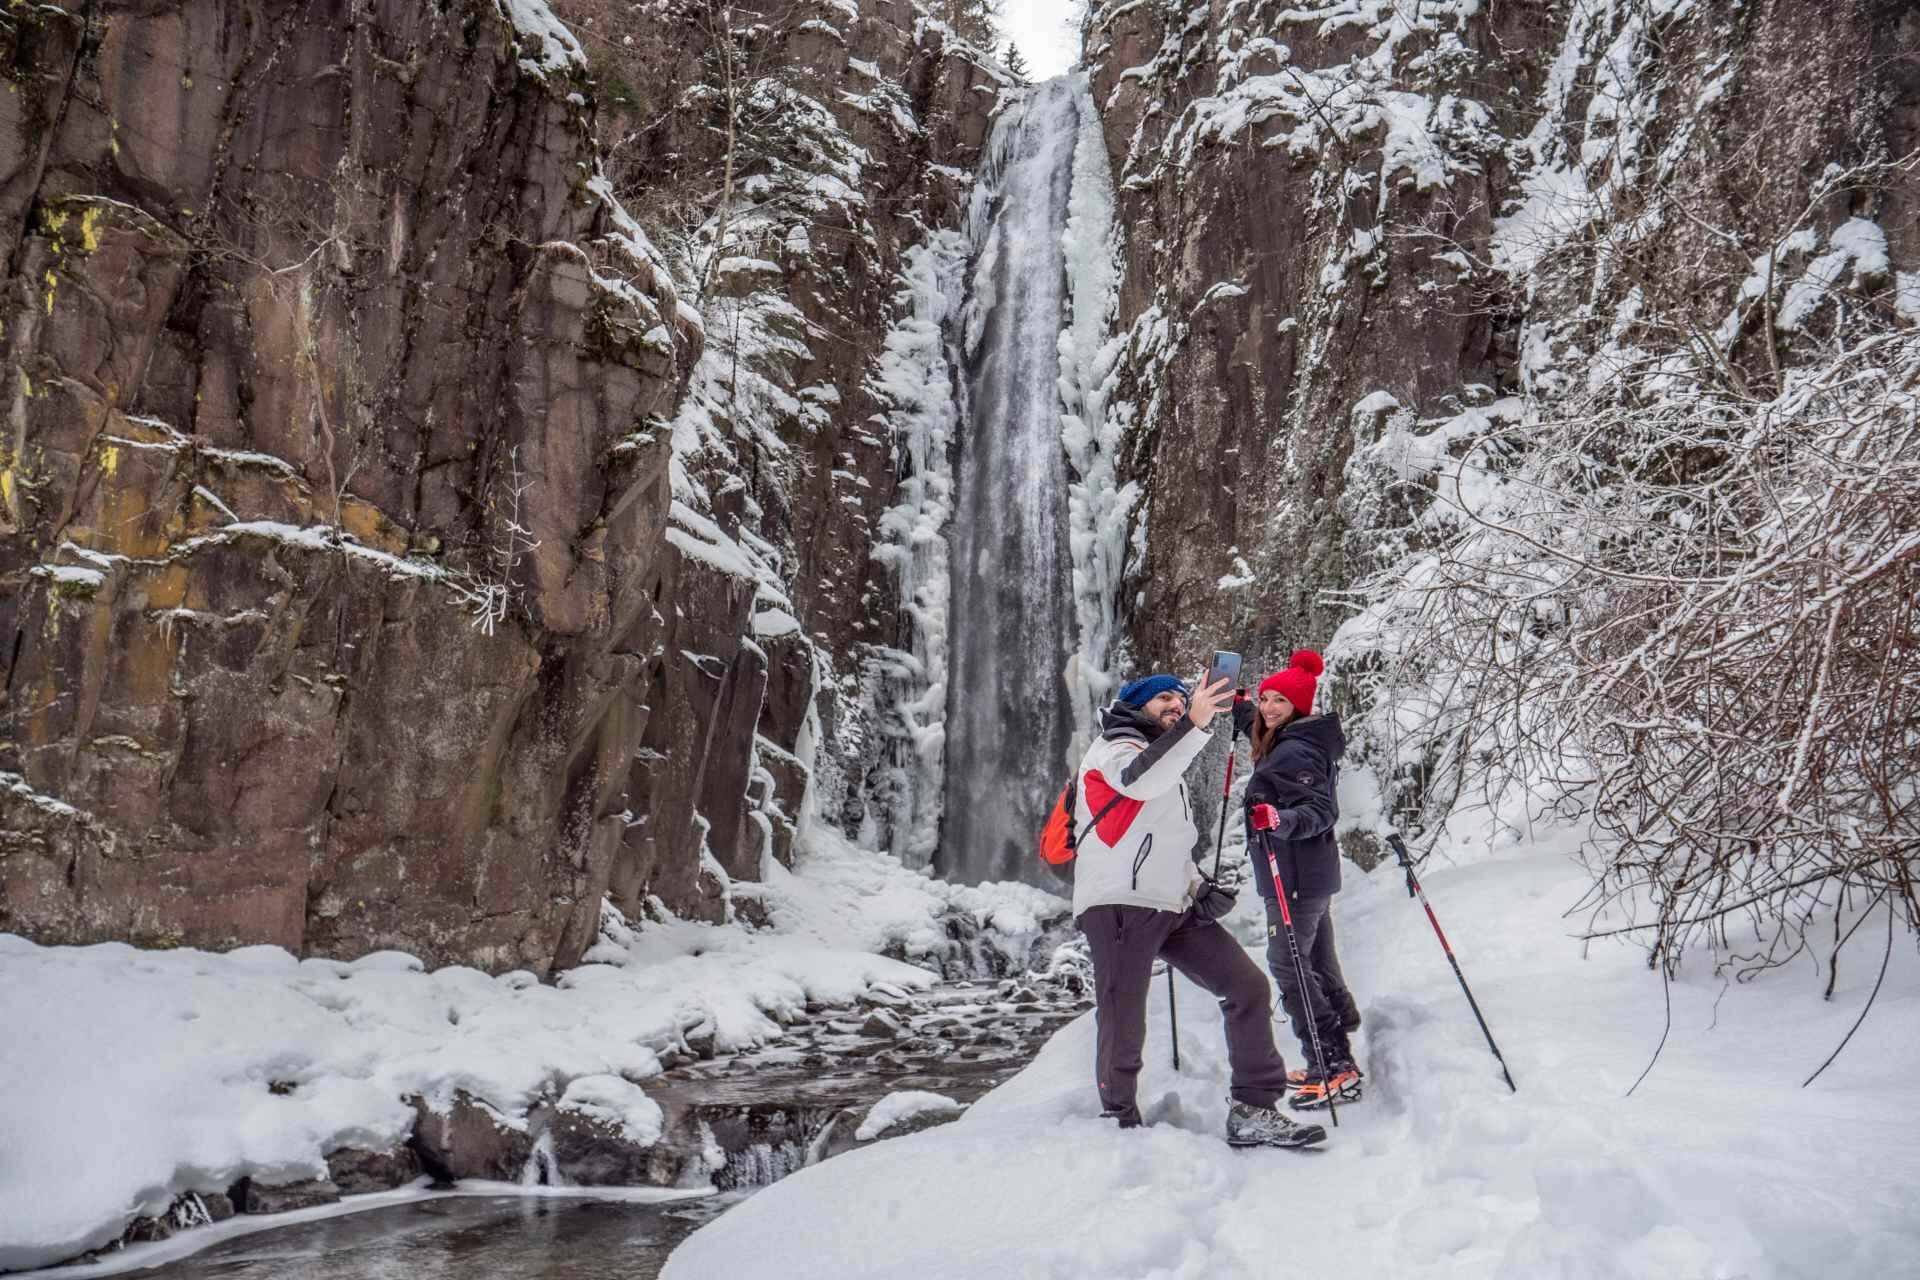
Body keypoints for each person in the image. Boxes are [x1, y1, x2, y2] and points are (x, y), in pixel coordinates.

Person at [1073, 671, 1326, 1149]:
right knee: (1123, 1012)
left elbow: (1164, 838)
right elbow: (1138, 783)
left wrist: (1197, 884)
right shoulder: (1115, 747)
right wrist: (1196, 723)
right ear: (1136, 703)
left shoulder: (1166, 757)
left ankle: (1254, 1106)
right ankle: (1118, 1123)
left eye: (1180, 698)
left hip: (1172, 903)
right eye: (1164, 698)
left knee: (1246, 987)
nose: (1175, 704)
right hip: (1119, 903)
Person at [1235, 649, 1362, 1110]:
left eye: (1279, 703)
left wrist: (1280, 819)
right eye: (1266, 699)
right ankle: (1336, 1051)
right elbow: (1258, 724)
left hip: (1294, 878)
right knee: (1314, 959)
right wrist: (1236, 704)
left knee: (1288, 964)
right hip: (1305, 874)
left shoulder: (1295, 750)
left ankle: (1331, 1064)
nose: (1268, 708)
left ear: (1298, 709)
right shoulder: (1289, 738)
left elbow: (1321, 811)